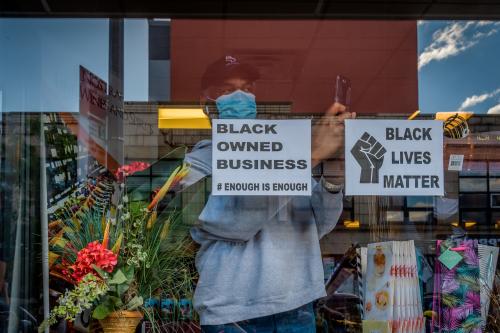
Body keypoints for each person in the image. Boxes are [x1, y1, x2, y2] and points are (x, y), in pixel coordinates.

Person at [181, 55, 355, 332]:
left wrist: (332, 180)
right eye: (227, 90)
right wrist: (308, 156)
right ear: (207, 104)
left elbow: (314, 225)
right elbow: (234, 221)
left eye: (247, 87)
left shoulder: (283, 153)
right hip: (233, 314)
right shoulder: (196, 163)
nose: (242, 96)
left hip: (297, 306)